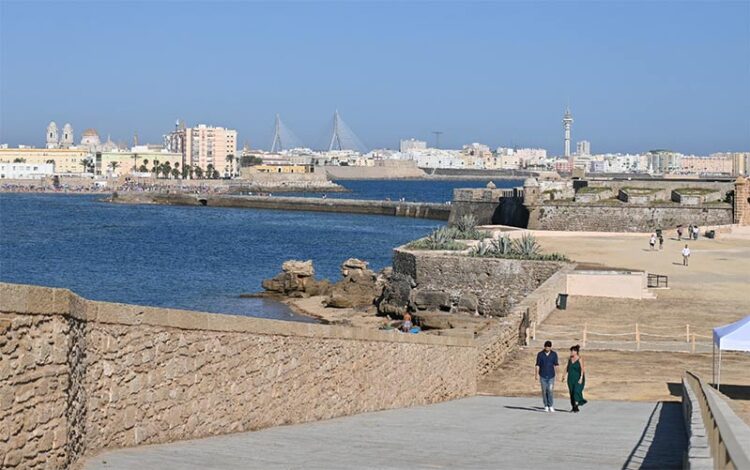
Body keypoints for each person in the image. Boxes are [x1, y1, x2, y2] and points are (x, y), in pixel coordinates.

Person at [535, 340, 559, 412]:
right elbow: (537, 365)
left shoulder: (554, 354)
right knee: (544, 391)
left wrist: (557, 374)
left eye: (548, 347)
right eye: (546, 347)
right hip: (542, 375)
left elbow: (556, 365)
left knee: (550, 390)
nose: (547, 348)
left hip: (551, 375)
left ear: (550, 347)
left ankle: (550, 405)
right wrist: (536, 375)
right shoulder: (540, 354)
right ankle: (546, 405)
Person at [562, 345, 587, 413]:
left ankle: (577, 404)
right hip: (570, 378)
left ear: (576, 352)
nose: (572, 352)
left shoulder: (580, 359)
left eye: (573, 351)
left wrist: (581, 378)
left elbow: (582, 369)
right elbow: (567, 367)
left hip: (578, 378)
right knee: (571, 392)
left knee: (576, 391)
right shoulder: (570, 359)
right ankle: (574, 406)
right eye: (571, 351)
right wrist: (564, 375)